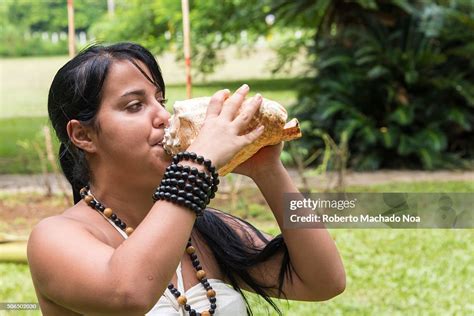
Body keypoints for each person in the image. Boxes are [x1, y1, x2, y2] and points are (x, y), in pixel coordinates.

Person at [27, 42, 345, 316]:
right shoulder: (54, 238)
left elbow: (324, 280)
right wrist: (198, 165)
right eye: (135, 105)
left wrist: (268, 171)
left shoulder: (207, 231)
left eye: (160, 101)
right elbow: (129, 293)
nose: (164, 116)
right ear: (83, 135)